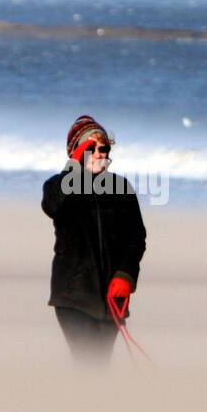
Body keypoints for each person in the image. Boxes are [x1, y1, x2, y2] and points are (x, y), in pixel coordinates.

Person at [41, 115, 146, 364]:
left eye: (104, 148)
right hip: (73, 296)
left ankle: (94, 403)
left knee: (101, 362)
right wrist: (74, 166)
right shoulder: (60, 186)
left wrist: (126, 275)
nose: (100, 153)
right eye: (91, 148)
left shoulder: (121, 188)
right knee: (87, 360)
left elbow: (137, 238)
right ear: (76, 151)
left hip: (113, 298)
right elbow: (51, 205)